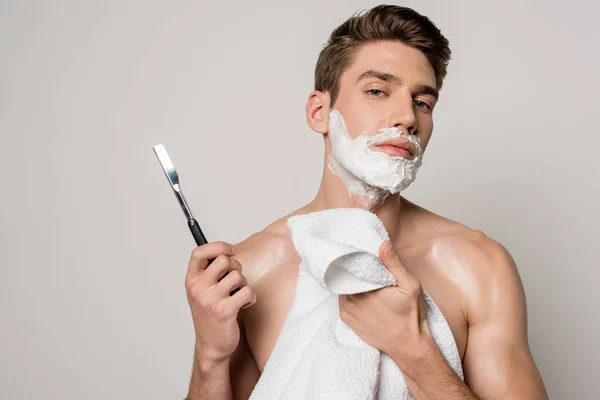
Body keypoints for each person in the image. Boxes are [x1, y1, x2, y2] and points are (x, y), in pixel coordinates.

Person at [183, 5, 548, 400]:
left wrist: (415, 353)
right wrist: (209, 356)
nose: (407, 116)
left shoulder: (478, 266)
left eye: (423, 102)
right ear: (320, 112)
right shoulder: (251, 272)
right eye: (377, 91)